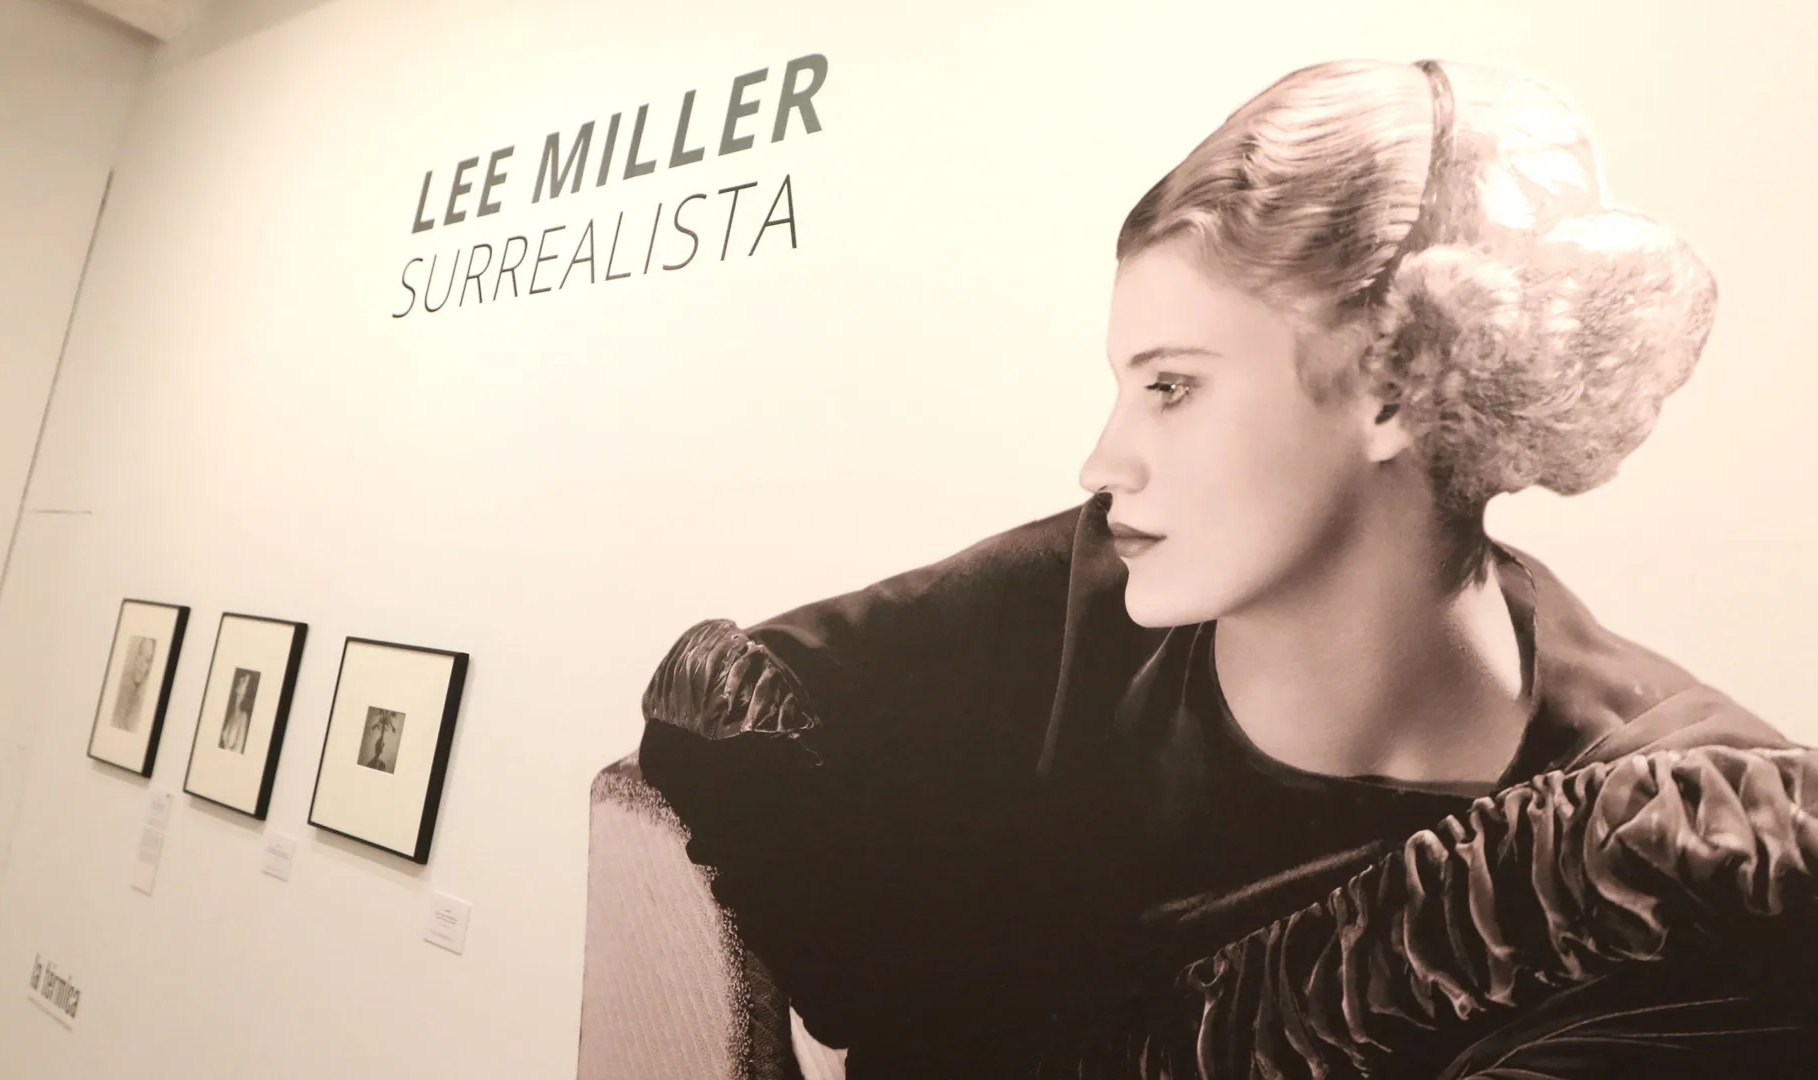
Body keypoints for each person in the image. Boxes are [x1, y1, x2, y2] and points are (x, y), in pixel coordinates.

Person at [634, 58, 1818, 1078]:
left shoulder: (1668, 867)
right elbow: (735, 720)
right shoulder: (1079, 597)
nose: (1104, 461)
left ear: (1397, 385)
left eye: (1171, 386)